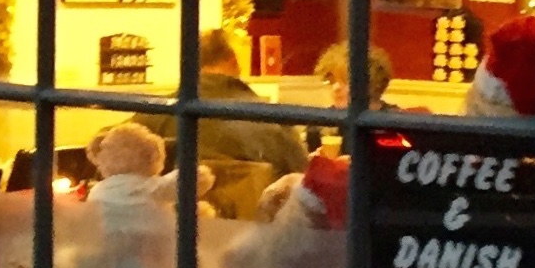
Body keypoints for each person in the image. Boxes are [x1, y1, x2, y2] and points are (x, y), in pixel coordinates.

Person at [133, 29, 308, 180]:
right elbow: (303, 183)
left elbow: (119, 161)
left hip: (176, 208)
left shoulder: (151, 117)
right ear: (234, 61)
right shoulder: (274, 121)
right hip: (251, 210)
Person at [316, 40, 395, 112]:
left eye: (345, 81)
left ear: (372, 84)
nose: (335, 88)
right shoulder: (325, 119)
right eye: (331, 81)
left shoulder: (395, 120)